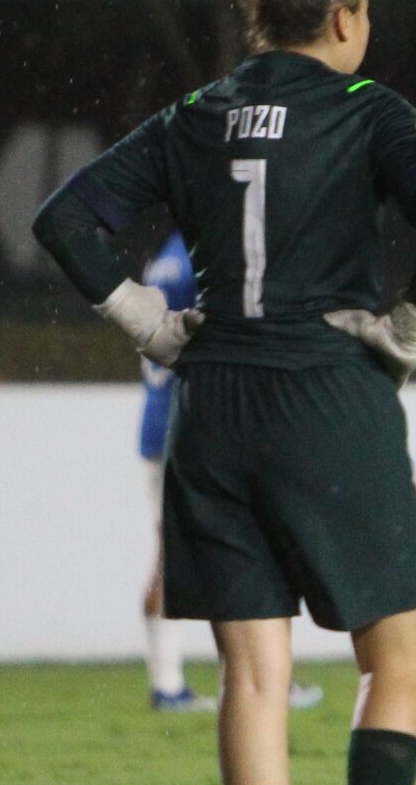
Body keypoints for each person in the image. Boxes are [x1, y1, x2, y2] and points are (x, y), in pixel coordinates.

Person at [33, 0, 416, 785]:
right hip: (327, 392)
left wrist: (150, 325)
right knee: (400, 658)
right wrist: (407, 334)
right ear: (340, 18)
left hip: (215, 403)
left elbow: (65, 219)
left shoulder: (195, 112)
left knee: (252, 677)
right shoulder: (369, 109)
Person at [133, 231, 324, 716]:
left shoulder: (167, 259)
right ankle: (219, 680)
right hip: (199, 421)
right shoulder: (203, 253)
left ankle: (209, 679)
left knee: (198, 551)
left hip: (165, 419)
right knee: (237, 551)